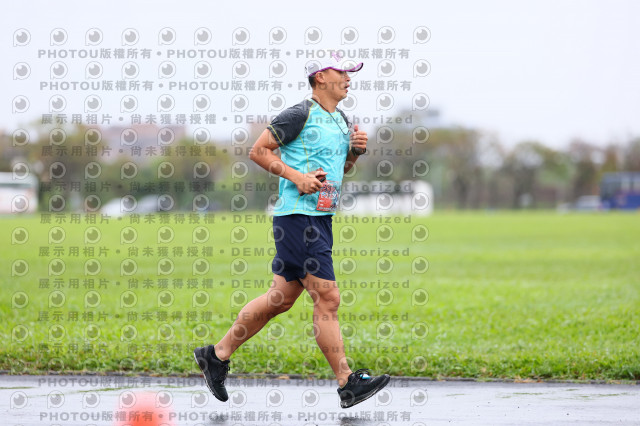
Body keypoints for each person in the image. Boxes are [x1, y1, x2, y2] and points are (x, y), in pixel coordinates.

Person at [194, 50, 390, 409]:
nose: (349, 78)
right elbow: (259, 151)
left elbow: (341, 169)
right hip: (298, 218)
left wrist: (354, 153)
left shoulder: (341, 119)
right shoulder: (300, 114)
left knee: (280, 299)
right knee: (328, 298)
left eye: (350, 73)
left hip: (319, 218)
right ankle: (347, 382)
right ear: (320, 77)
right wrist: (297, 177)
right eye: (342, 72)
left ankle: (216, 355)